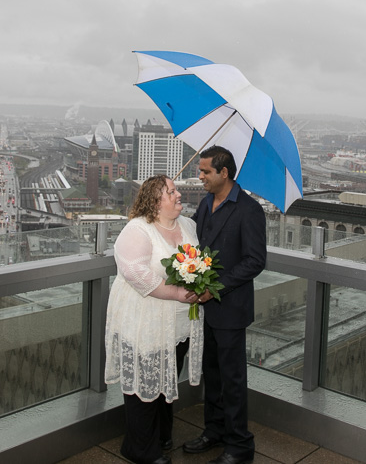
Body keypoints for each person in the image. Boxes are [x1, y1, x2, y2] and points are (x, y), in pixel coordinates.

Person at [105, 174, 203, 464]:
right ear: (154, 201)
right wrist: (175, 292)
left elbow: (196, 263)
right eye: (171, 192)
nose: (178, 194)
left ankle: (161, 436)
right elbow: (134, 272)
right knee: (144, 386)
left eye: (175, 190)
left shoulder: (188, 225)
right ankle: (138, 448)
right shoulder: (137, 230)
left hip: (178, 324)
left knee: (167, 378)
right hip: (144, 321)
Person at [183, 145, 266, 464]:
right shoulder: (206, 204)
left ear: (224, 173)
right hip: (206, 309)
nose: (199, 176)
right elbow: (194, 242)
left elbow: (255, 261)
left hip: (230, 308)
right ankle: (214, 431)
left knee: (232, 380)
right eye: (200, 170)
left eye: (205, 171)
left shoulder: (249, 210)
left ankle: (239, 446)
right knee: (212, 375)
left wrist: (213, 288)